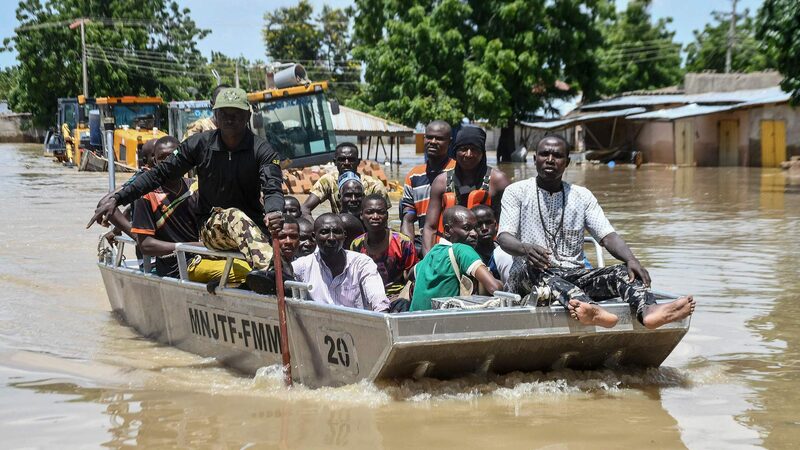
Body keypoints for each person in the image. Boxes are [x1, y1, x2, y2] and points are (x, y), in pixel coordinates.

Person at [497, 135, 695, 329]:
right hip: (527, 278)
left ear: (567, 162)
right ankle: (590, 308)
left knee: (623, 271)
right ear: (534, 159)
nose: (550, 159)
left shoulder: (582, 196)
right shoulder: (516, 192)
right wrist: (525, 249)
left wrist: (631, 259)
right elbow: (504, 237)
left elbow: (607, 236)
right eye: (544, 154)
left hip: (573, 276)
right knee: (534, 268)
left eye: (557, 155)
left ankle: (648, 311)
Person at [88, 87, 285, 272]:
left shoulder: (262, 150)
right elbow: (159, 174)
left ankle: (279, 275)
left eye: (236, 113)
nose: (229, 118)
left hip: (253, 228)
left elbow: (273, 188)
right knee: (234, 216)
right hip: (212, 228)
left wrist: (274, 211)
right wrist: (118, 198)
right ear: (216, 116)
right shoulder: (199, 144)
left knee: (285, 236)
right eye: (224, 113)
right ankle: (271, 272)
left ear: (247, 116)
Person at [422, 125, 510, 254]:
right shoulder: (441, 182)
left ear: (482, 152)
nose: (468, 154)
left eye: (474, 149)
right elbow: (430, 227)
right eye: (463, 149)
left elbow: (509, 226)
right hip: (451, 252)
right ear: (455, 151)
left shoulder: (498, 181)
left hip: (488, 252)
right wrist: (429, 260)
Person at [410, 206, 502, 311]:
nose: (474, 233)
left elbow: (410, 273)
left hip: (415, 318)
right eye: (466, 228)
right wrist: (503, 283)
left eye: (475, 228)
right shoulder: (462, 250)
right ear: (447, 231)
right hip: (444, 319)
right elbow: (494, 288)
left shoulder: (432, 253)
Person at [292, 214, 390, 312]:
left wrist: (382, 313)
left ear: (344, 235)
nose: (331, 238)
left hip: (354, 320)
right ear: (314, 237)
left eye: (337, 232)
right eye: (324, 232)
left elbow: (377, 297)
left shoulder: (362, 264)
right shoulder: (302, 267)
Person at [399, 120, 456, 250]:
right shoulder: (414, 175)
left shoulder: (457, 171)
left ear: (450, 142)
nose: (433, 142)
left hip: (452, 245)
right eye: (429, 137)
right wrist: (409, 252)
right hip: (424, 244)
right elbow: (407, 219)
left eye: (439, 138)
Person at [351, 194, 418, 298]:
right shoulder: (356, 245)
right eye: (370, 212)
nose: (375, 216)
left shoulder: (403, 243)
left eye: (380, 212)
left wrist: (404, 298)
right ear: (361, 215)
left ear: (387, 215)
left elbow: (414, 276)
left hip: (397, 296)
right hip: (366, 297)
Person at [301, 142, 390, 216]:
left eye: (351, 159)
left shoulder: (374, 185)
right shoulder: (328, 181)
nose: (346, 163)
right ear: (335, 162)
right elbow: (305, 208)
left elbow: (382, 217)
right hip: (340, 227)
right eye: (342, 159)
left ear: (358, 162)